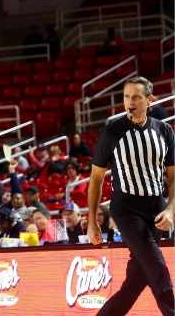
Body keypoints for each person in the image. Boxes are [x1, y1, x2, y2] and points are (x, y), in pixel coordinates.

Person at [88, 76, 174, 315]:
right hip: (126, 207)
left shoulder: (164, 130)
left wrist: (170, 209)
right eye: (126, 97)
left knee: (137, 278)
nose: (130, 101)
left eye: (136, 96)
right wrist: (93, 221)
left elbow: (173, 176)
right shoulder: (112, 132)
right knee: (158, 269)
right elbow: (95, 179)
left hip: (157, 206)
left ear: (149, 100)